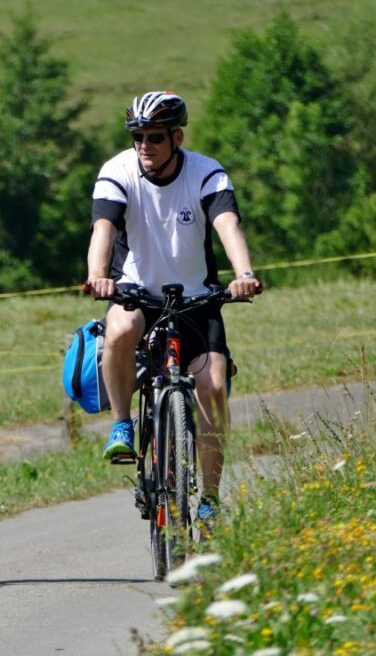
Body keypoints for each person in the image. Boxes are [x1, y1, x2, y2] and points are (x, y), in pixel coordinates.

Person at [83, 90, 262, 524]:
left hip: (197, 297)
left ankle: (211, 498)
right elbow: (102, 229)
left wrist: (243, 274)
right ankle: (123, 424)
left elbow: (227, 224)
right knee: (120, 332)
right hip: (136, 291)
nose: (145, 145)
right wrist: (98, 274)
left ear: (177, 137)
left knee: (213, 388)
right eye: (138, 137)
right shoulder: (118, 171)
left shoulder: (206, 173)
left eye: (155, 137)